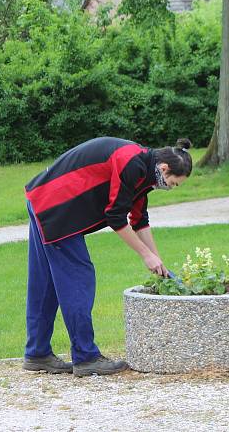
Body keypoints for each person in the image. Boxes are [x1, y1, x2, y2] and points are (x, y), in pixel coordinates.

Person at [22, 136, 192, 376]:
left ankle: (37, 352)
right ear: (164, 169)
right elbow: (116, 217)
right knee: (78, 278)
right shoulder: (133, 163)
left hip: (44, 199)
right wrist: (145, 255)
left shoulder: (144, 170)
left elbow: (139, 220)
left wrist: (157, 259)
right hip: (57, 206)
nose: (170, 188)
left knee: (47, 282)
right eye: (173, 183)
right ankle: (86, 357)